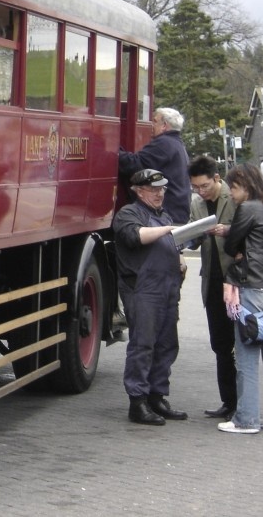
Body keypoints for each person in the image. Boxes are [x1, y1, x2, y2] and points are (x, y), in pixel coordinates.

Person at [112, 168, 189, 425]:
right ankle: (138, 402)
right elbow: (135, 236)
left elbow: (174, 245)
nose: (160, 194)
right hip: (143, 290)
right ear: (138, 191)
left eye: (162, 189)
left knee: (167, 344)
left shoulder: (163, 215)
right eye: (153, 189)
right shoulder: (128, 213)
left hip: (168, 288)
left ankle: (157, 396)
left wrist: (180, 260)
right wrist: (168, 230)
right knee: (143, 346)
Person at [217, 163, 263, 433]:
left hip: (251, 285)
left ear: (244, 186)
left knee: (246, 354)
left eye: (233, 188)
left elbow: (231, 244)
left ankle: (246, 419)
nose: (231, 194)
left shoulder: (247, 208)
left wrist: (235, 245)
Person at [188, 155, 237, 420]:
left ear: (216, 178)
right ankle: (228, 401)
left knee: (241, 345)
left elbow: (249, 230)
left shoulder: (234, 196)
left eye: (205, 186)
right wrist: (190, 236)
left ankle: (243, 403)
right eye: (195, 187)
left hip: (236, 282)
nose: (201, 192)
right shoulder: (196, 203)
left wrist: (227, 230)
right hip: (213, 283)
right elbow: (193, 241)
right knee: (220, 344)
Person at [119, 107, 190, 224]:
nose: (151, 125)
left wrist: (113, 149)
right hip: (176, 213)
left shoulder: (164, 143)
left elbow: (136, 164)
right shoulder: (176, 143)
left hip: (166, 216)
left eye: (155, 121)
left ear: (164, 125)